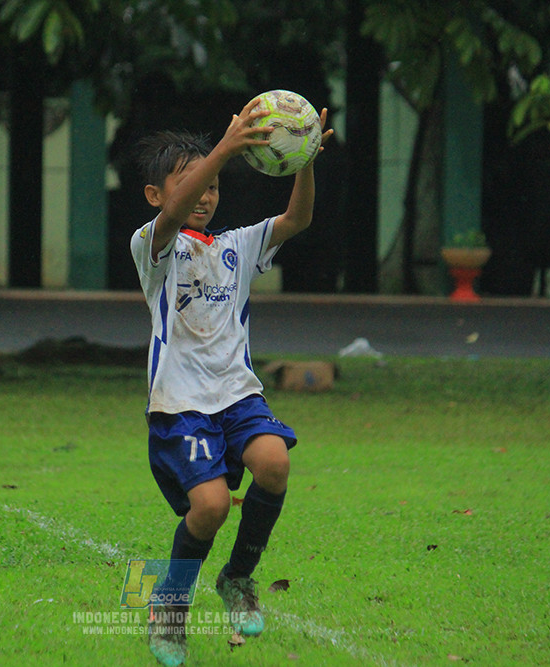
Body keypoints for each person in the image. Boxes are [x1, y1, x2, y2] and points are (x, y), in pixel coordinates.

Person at [129, 98, 333, 666]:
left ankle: (237, 577)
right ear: (155, 195)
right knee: (212, 505)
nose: (206, 194)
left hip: (237, 394)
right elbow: (176, 215)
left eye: (215, 186)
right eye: (193, 183)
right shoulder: (153, 245)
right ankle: (170, 607)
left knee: (275, 462)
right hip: (181, 405)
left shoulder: (235, 246)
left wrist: (304, 160)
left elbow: (297, 220)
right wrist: (222, 149)